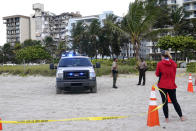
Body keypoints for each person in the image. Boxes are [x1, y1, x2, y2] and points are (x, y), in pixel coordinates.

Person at [155, 50, 184, 123]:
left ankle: (167, 118)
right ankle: (181, 116)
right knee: (174, 101)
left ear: (162, 56)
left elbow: (157, 74)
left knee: (164, 102)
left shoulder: (160, 64)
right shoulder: (174, 63)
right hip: (171, 85)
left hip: (162, 85)